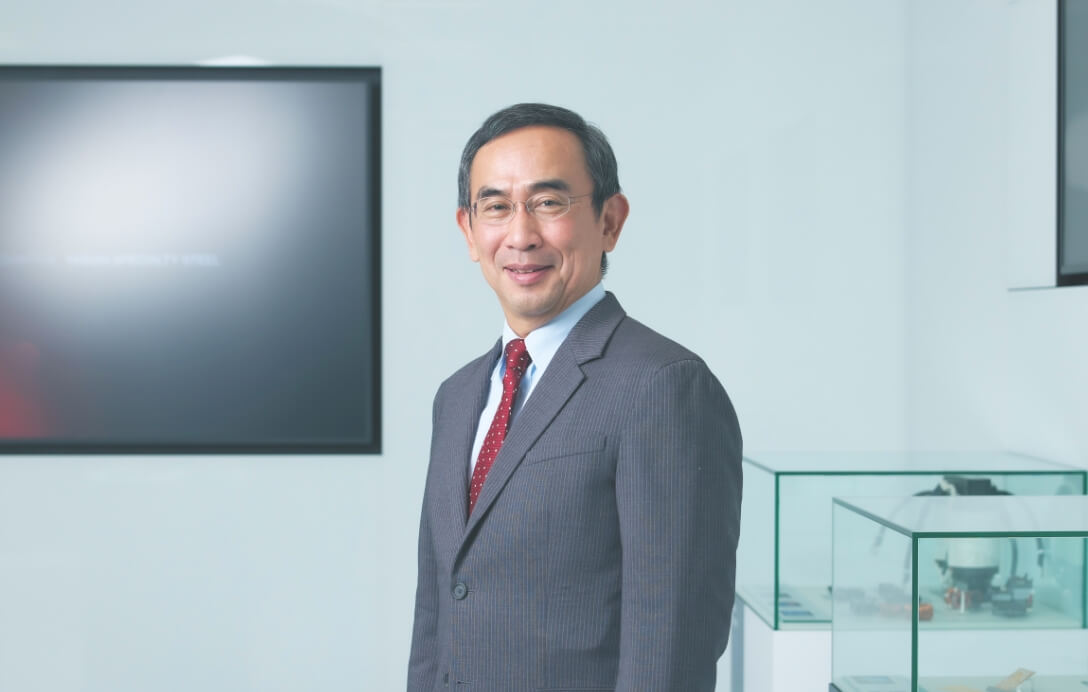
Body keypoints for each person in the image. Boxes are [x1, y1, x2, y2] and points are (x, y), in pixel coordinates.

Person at [408, 103, 742, 691]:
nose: (520, 235)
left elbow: (672, 647)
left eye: (548, 202)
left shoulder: (664, 386)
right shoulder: (457, 397)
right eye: (496, 206)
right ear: (468, 230)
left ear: (610, 221)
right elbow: (437, 617)